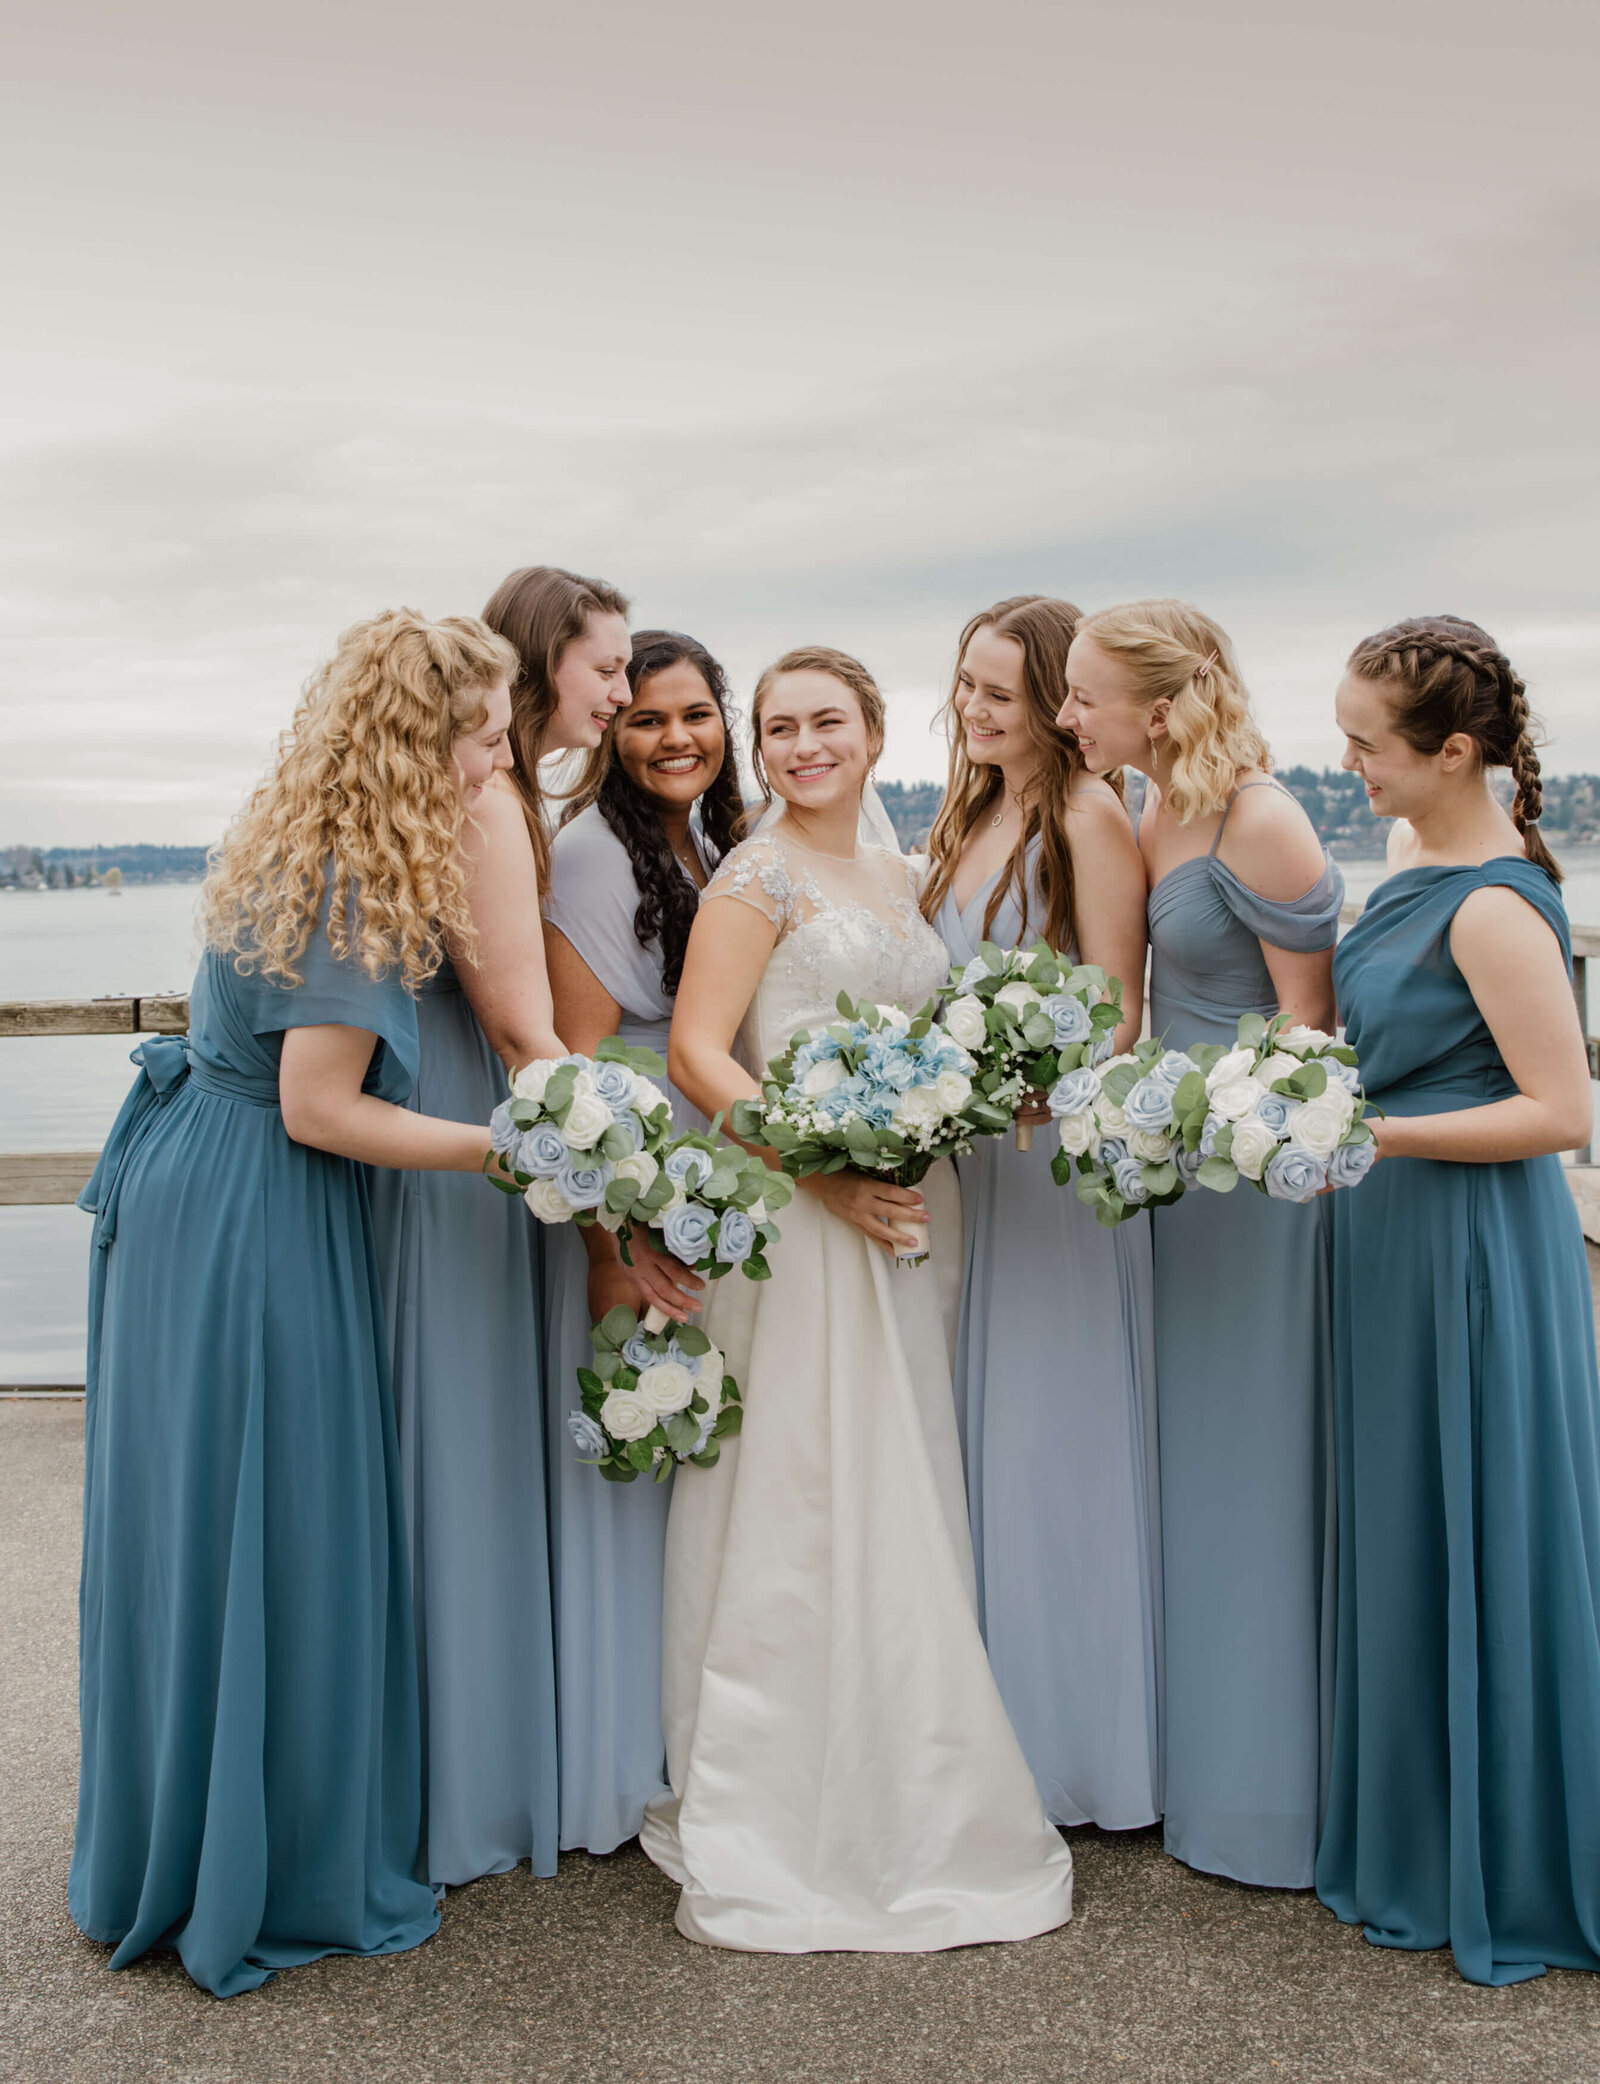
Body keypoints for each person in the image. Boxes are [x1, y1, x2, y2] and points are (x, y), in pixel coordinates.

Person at [70, 610, 513, 1995]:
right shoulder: (344, 885)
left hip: (194, 1180)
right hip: (258, 1208)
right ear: (423, 742)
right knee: (276, 1516)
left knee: (200, 1514)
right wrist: (514, 1150)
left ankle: (186, 1832)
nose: (499, 763)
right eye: (487, 737)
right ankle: (264, 1868)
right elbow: (324, 1112)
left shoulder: (299, 838)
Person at [640, 645, 1074, 1951]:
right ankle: (783, 1778)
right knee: (805, 1484)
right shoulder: (754, 873)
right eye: (776, 730)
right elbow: (696, 1052)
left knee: (897, 1477)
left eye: (826, 721)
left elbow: (939, 1036)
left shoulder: (903, 878)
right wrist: (819, 1171)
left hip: (909, 1215)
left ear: (878, 734)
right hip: (805, 1217)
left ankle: (910, 1741)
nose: (800, 746)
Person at [1317, 615, 1600, 1985]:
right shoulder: (1411, 863)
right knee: (1409, 1521)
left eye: (1368, 745)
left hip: (1474, 1247)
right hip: (1393, 1243)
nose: (1352, 765)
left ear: (1456, 751)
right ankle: (1425, 1825)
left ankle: (1502, 1853)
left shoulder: (1493, 901)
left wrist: (1375, 1138)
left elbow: (1559, 1111)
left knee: (1478, 1512)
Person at [1061, 599, 1343, 1889]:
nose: (1070, 716)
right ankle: (1183, 1765)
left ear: (1160, 706)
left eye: (1084, 696)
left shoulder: (1258, 817)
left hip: (1254, 1199)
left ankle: (1267, 1796)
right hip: (1168, 1180)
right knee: (1179, 1460)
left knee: (1250, 1466)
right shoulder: (1147, 806)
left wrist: (1224, 1122)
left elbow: (1313, 1043)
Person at [366, 563, 632, 1887]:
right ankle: (468, 1784)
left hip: (480, 1105)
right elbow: (525, 1028)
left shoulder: (511, 794)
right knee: (466, 1429)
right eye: (607, 669)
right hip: (475, 1111)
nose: (625, 693)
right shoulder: (495, 803)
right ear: (542, 669)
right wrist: (609, 1199)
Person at [921, 595, 1161, 1831]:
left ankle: (1072, 1745)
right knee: (974, 1430)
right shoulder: (968, 807)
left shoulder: (1084, 815)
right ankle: (983, 1717)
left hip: (1049, 1162)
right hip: (967, 1163)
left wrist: (1025, 1079)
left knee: (1047, 1434)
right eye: (964, 683)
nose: (972, 708)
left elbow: (1118, 1006)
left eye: (999, 693)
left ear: (1058, 701)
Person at [540, 628, 743, 1854]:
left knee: (703, 1458)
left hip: (714, 1158)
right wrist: (611, 1238)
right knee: (640, 1424)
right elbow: (573, 1061)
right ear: (611, 733)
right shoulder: (590, 852)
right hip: (640, 1167)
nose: (675, 738)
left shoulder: (717, 839)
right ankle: (620, 1748)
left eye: (696, 714)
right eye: (647, 718)